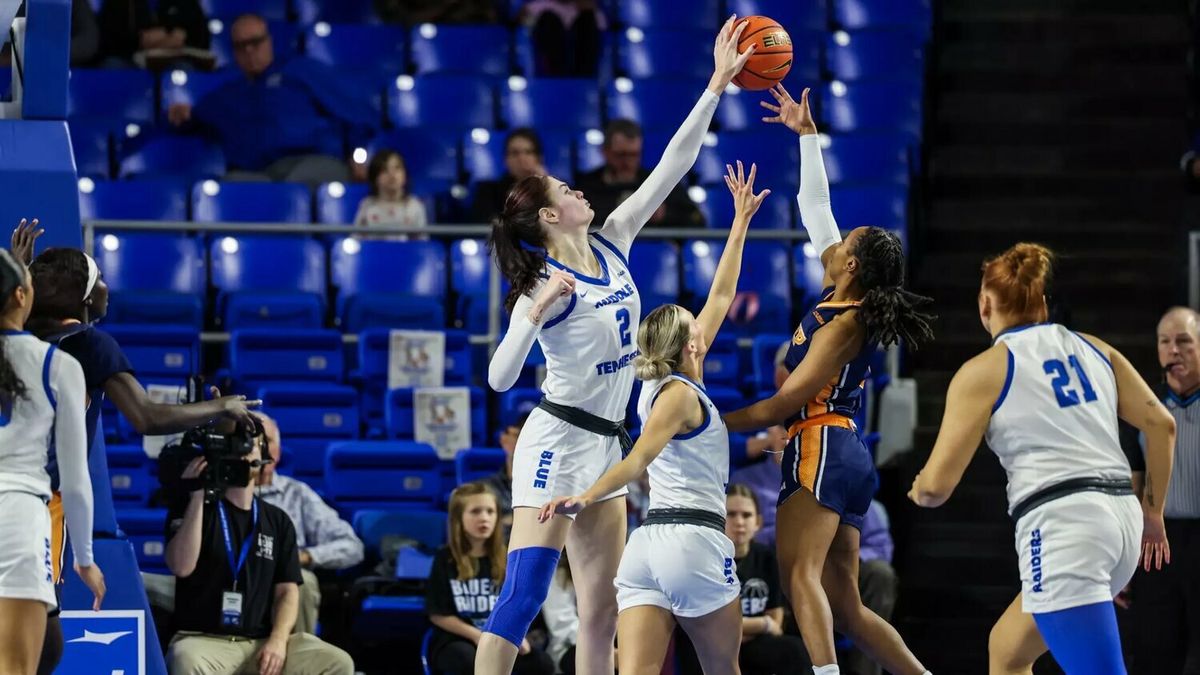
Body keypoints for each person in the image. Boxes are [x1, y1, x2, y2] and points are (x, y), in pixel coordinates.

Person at [478, 17, 754, 675]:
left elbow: (671, 167)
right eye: (567, 191)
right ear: (549, 217)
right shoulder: (544, 282)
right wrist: (528, 318)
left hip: (607, 439)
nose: (580, 191)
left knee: (603, 612)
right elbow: (497, 377)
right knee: (521, 599)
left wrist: (716, 84)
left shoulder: (612, 239)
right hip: (555, 439)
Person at [722, 84, 934, 675]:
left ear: (853, 266)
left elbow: (787, 400)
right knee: (845, 601)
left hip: (821, 443)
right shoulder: (838, 293)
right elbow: (816, 209)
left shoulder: (846, 323)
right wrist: (808, 137)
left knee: (798, 575)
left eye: (851, 241)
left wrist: (710, 420)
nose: (839, 239)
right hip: (842, 451)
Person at [540, 160, 768, 674]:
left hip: (646, 550)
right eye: (696, 326)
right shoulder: (680, 398)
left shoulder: (658, 383)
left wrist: (740, 222)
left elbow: (723, 294)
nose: (704, 324)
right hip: (694, 541)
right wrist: (587, 495)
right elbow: (639, 457)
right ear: (692, 344)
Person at [907, 243, 1176, 675]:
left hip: (1065, 530)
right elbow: (1163, 426)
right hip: (1122, 519)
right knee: (1008, 650)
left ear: (984, 306)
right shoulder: (1094, 348)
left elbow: (936, 489)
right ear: (1044, 304)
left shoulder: (984, 369)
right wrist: (1154, 514)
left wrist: (918, 487)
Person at [13, 226, 260, 674]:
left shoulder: (16, 339)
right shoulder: (90, 345)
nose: (108, 288)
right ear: (85, 299)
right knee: (38, 636)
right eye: (100, 279)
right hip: (37, 503)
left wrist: (18, 278)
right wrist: (220, 404)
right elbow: (148, 418)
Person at [163, 427, 354, 674]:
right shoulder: (191, 507)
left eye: (249, 446)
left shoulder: (278, 520)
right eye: (234, 446)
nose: (242, 454)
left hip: (262, 641)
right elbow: (181, 566)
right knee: (184, 659)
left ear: (263, 454)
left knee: (337, 662)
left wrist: (278, 640)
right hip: (205, 640)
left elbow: (287, 592)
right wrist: (197, 497)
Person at [0, 249, 105, 675]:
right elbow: (76, 479)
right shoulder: (57, 363)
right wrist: (84, 557)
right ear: (23, 296)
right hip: (19, 520)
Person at [166, 13, 377, 185]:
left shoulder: (302, 71)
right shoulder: (227, 95)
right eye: (241, 46)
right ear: (234, 52)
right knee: (232, 186)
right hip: (258, 175)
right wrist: (181, 114)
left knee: (294, 190)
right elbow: (191, 119)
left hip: (313, 163)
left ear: (269, 41)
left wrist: (358, 157)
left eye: (255, 42)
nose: (249, 51)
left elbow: (357, 116)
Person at [1128, 306, 1200, 674]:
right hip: (1158, 542)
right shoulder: (1143, 409)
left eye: (1184, 342)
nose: (1174, 350)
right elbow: (1130, 486)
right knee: (1155, 650)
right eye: (1165, 342)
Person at [426, 483, 555, 675]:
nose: (484, 518)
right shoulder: (445, 558)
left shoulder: (509, 557)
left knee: (541, 664)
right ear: (458, 518)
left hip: (503, 636)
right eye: (475, 511)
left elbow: (523, 604)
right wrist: (477, 636)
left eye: (490, 511)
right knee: (467, 660)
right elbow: (438, 613)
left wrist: (518, 636)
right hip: (459, 639)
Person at [254, 413, 364, 635]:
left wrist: (304, 557)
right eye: (253, 442)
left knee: (300, 581)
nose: (261, 448)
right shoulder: (219, 493)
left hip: (282, 577)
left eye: (268, 441)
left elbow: (352, 546)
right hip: (231, 576)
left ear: (279, 451)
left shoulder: (298, 494)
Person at [725, 483, 810, 675]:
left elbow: (776, 622)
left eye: (746, 515)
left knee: (795, 650)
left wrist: (744, 629)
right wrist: (762, 624)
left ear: (758, 523)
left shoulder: (768, 558)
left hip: (757, 645)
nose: (739, 522)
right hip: (716, 648)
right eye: (731, 514)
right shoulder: (707, 560)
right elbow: (712, 628)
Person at [574, 119, 705, 229]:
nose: (627, 162)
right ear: (605, 151)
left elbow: (698, 221)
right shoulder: (587, 187)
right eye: (621, 155)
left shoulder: (658, 181)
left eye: (634, 155)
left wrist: (664, 214)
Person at [847, 501, 899, 675]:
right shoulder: (769, 486)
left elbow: (879, 547)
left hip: (846, 572)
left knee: (880, 574)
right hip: (784, 571)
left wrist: (845, 563)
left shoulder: (858, 496)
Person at [97, 0, 211, 66]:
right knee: (112, 65)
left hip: (175, 59)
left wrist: (178, 38)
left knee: (183, 70)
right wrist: (139, 40)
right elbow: (107, 39)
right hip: (130, 58)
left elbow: (202, 38)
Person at [471, 129, 547, 224]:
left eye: (528, 152)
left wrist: (546, 187)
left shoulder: (557, 190)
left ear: (539, 158)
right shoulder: (489, 192)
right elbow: (487, 222)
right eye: (515, 153)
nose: (521, 159)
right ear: (506, 160)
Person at [729, 425, 787, 546]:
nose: (789, 437)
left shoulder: (818, 480)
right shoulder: (744, 479)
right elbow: (734, 530)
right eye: (784, 428)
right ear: (772, 432)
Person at [352, 149, 428, 238]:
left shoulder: (415, 206)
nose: (392, 175)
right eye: (384, 170)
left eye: (397, 168)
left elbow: (422, 245)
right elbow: (356, 242)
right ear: (375, 177)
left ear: (405, 175)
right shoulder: (367, 205)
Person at [520, 0, 605, 77]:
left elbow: (602, 30)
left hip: (580, 62)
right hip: (550, 61)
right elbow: (522, 29)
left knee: (587, 19)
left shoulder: (586, 10)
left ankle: (583, 78)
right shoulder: (537, 6)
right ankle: (555, 75)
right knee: (548, 19)